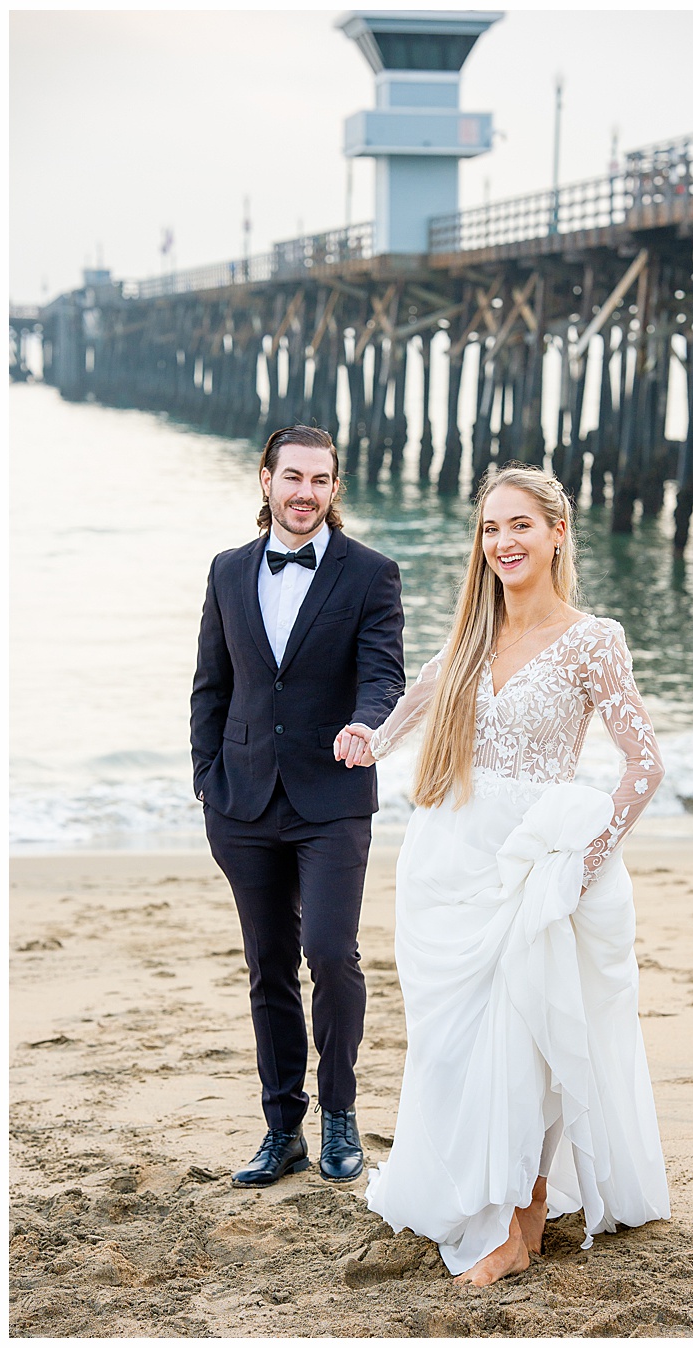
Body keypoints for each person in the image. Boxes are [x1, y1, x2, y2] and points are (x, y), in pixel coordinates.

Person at [335, 464, 669, 1287]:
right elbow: (413, 705)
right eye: (490, 529)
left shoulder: (595, 639)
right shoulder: (471, 634)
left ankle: (520, 1227)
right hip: (449, 858)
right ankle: (478, 1197)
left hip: (535, 862)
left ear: (558, 533)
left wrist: (584, 860)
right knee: (454, 1048)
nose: (503, 542)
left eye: (520, 525)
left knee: (529, 1041)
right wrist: (367, 739)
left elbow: (644, 763)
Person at [190, 424, 405, 1188]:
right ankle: (281, 1128)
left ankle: (340, 1116)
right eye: (294, 478)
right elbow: (211, 688)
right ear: (266, 481)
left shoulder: (372, 574)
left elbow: (385, 675)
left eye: (321, 480)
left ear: (335, 489)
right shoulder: (226, 571)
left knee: (332, 955)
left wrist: (366, 723)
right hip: (242, 802)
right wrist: (206, 780)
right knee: (269, 964)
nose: (306, 492)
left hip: (333, 796)